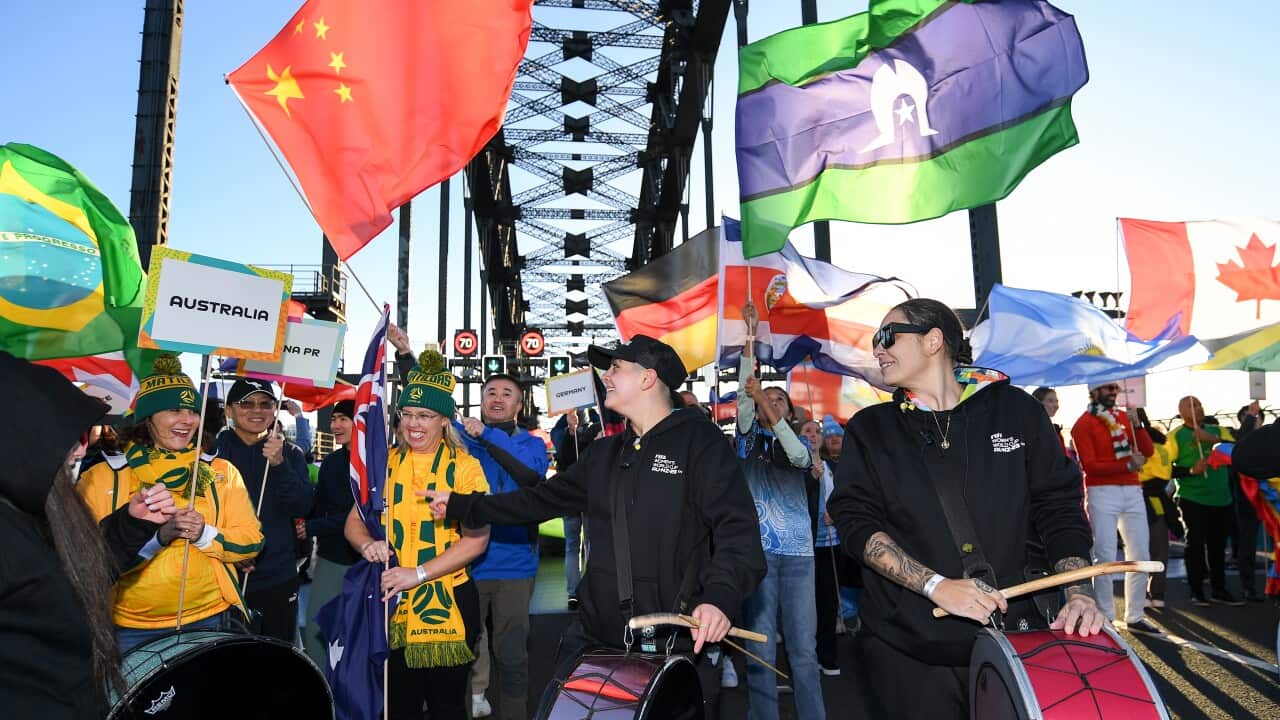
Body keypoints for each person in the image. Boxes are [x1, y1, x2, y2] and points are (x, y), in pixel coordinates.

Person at [425, 335, 766, 715]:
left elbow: (739, 532)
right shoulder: (603, 453)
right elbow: (539, 500)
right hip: (594, 641)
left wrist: (719, 598)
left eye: (616, 367)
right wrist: (462, 504)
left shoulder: (701, 442)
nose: (606, 376)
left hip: (674, 643)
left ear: (648, 379)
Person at [828, 299, 1100, 719]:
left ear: (934, 339)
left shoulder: (1015, 410)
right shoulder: (871, 429)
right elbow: (856, 524)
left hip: (1020, 639)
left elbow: (1058, 505)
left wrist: (1079, 590)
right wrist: (936, 586)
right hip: (909, 650)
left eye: (887, 337)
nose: (877, 350)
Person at [0, 352, 181, 717]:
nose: (84, 446)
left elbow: (71, 580)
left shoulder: (25, 511)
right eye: (68, 434)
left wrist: (131, 523)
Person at [78, 355, 264, 653]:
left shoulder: (221, 472)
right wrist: (157, 536)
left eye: (193, 410)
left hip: (210, 620)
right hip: (128, 631)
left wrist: (205, 534)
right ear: (148, 417)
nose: (187, 420)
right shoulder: (102, 477)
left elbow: (252, 540)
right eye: (174, 410)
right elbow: (88, 564)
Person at [343, 349, 489, 720]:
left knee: (448, 706)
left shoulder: (467, 469)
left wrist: (419, 574)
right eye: (407, 414)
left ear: (444, 420)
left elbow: (477, 540)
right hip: (389, 597)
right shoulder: (384, 463)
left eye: (424, 415)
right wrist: (367, 545)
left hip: (451, 598)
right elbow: (353, 523)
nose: (413, 424)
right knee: (397, 704)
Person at [736, 301, 826, 720]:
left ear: (791, 413)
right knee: (760, 648)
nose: (768, 402)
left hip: (800, 558)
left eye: (779, 401)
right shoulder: (747, 443)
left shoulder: (799, 447)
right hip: (758, 556)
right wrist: (749, 337)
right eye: (764, 398)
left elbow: (794, 453)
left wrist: (763, 399)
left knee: (804, 652)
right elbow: (743, 392)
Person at [217, 378, 315, 641]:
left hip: (278, 576)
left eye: (265, 403)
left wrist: (279, 465)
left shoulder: (290, 453)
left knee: (276, 664)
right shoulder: (212, 453)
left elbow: (303, 505)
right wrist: (230, 550)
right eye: (246, 404)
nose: (256, 410)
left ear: (275, 409)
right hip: (224, 579)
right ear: (228, 410)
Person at [1069, 382, 1157, 632]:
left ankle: (1136, 615)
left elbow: (1147, 450)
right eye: (1107, 388)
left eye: (1114, 388)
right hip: (1101, 492)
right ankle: (1106, 615)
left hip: (1132, 490)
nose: (1113, 392)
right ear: (1093, 391)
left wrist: (1137, 424)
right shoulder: (1083, 423)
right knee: (1105, 556)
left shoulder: (1124, 417)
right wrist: (1127, 466)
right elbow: (1090, 465)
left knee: (1140, 555)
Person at [1167, 396, 1243, 606]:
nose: (1197, 408)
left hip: (1222, 499)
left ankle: (1219, 590)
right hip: (1192, 498)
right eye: (1191, 405)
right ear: (1181, 411)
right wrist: (1191, 470)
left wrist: (1209, 439)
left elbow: (1238, 447)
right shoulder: (1175, 436)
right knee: (1195, 545)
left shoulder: (1218, 431)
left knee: (1218, 547)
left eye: (1199, 404)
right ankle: (1196, 590)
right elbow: (1165, 468)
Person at [300, 399, 359, 667]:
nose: (335, 425)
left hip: (362, 562)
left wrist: (311, 527)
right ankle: (323, 692)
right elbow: (319, 504)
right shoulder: (333, 461)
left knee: (357, 635)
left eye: (343, 419)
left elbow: (356, 514)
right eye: (334, 419)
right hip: (330, 556)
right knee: (316, 629)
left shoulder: (376, 462)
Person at [801, 418, 843, 677]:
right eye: (807, 431)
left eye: (817, 431)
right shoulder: (794, 467)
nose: (814, 435)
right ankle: (806, 655)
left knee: (827, 602)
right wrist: (810, 479)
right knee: (806, 605)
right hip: (803, 547)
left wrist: (836, 512)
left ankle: (827, 656)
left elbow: (845, 495)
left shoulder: (833, 466)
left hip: (829, 544)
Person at [550, 408, 600, 611]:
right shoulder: (597, 425)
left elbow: (562, 457)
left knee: (574, 546)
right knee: (588, 544)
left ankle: (575, 593)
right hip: (587, 494)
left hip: (573, 495)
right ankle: (587, 592)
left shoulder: (559, 430)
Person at [1134, 413, 1179, 608]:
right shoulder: (1164, 449)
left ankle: (1145, 594)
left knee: (1143, 552)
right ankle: (1155, 593)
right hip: (1151, 505)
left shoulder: (1147, 450)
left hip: (1143, 504)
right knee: (1157, 552)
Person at [1229, 403, 1265, 602]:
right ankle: (1248, 585)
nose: (1253, 419)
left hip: (1272, 499)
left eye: (1256, 416)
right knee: (1247, 544)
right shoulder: (1238, 438)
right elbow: (1240, 442)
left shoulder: (1271, 437)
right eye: (1248, 417)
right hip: (1247, 500)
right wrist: (1250, 420)